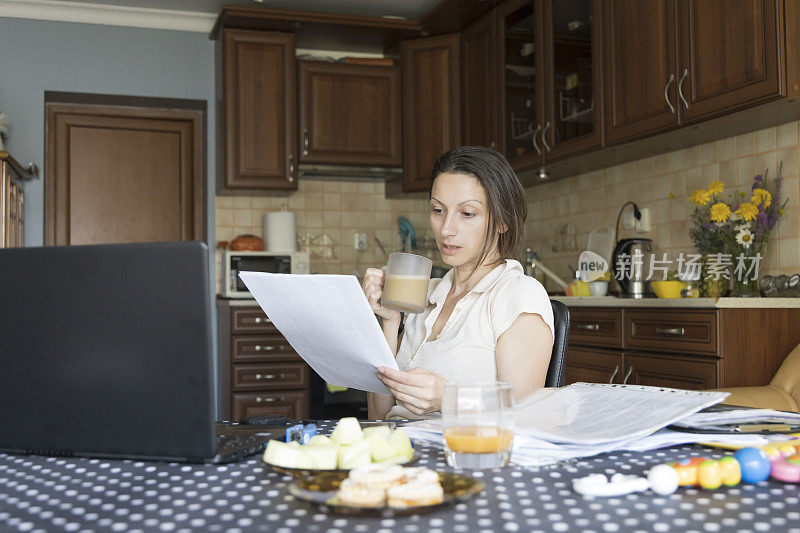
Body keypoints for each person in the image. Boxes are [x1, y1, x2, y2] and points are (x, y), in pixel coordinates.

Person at [362, 146, 554, 420]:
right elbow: (380, 417)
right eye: (438, 210)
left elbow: (525, 416)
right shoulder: (425, 294)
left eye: (467, 213)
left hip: (461, 458)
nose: (446, 228)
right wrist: (389, 322)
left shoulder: (518, 294)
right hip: (399, 453)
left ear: (502, 221)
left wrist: (446, 398)